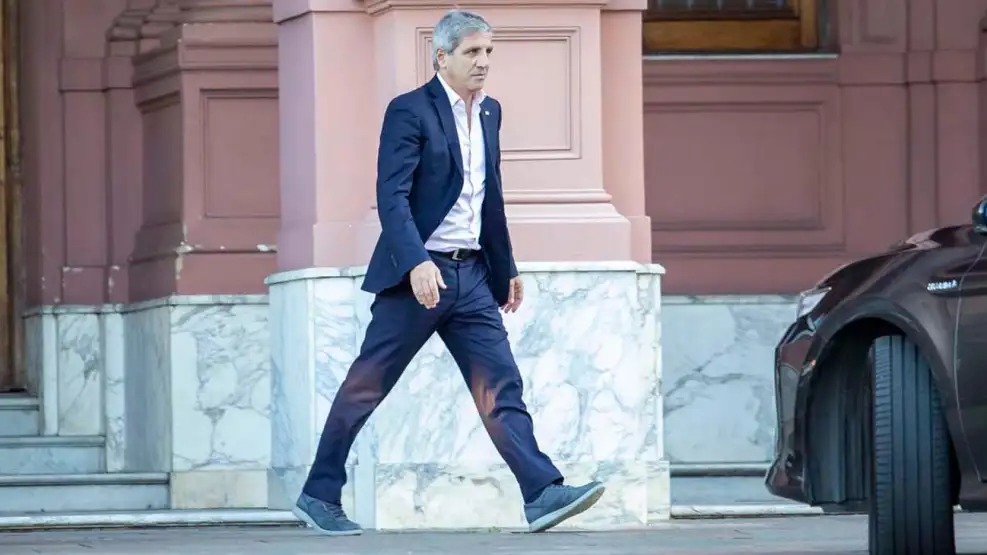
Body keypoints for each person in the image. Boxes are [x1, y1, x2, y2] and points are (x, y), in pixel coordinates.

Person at [291, 9, 605, 536]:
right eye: (472, 52)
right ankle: (318, 495)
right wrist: (416, 261)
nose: (483, 62)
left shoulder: (490, 113)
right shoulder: (409, 110)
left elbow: (490, 197)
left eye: (488, 52)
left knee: (500, 385)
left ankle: (542, 493)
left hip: (473, 276)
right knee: (367, 386)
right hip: (419, 276)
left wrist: (506, 268)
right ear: (442, 57)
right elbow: (391, 196)